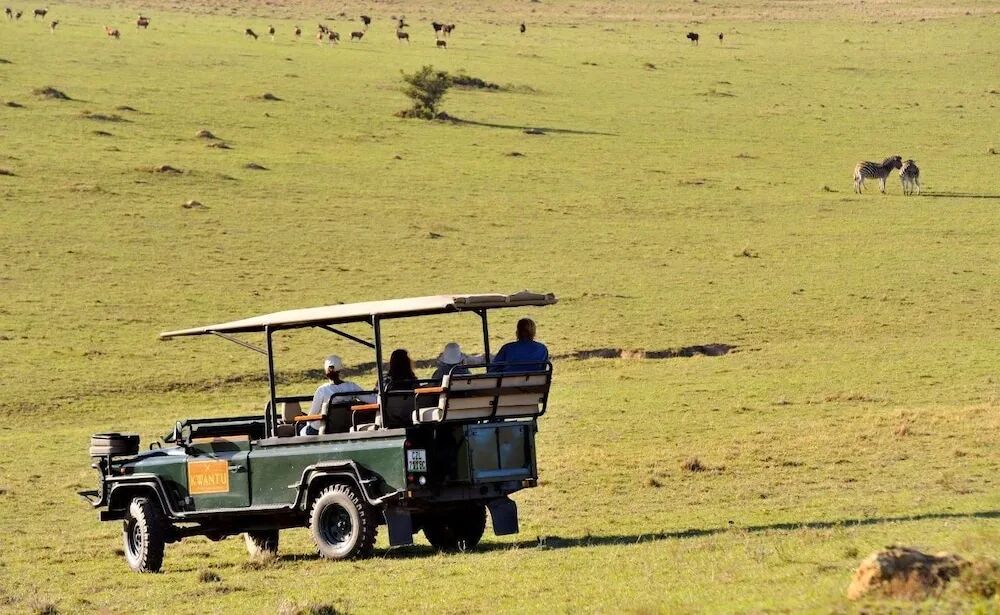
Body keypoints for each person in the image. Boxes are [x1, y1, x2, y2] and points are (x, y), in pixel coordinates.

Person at [304, 355, 375, 435]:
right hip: (344, 428)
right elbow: (373, 400)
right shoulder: (351, 386)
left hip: (323, 430)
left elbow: (311, 416)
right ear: (340, 370)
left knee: (301, 430)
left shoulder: (322, 390)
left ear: (326, 371)